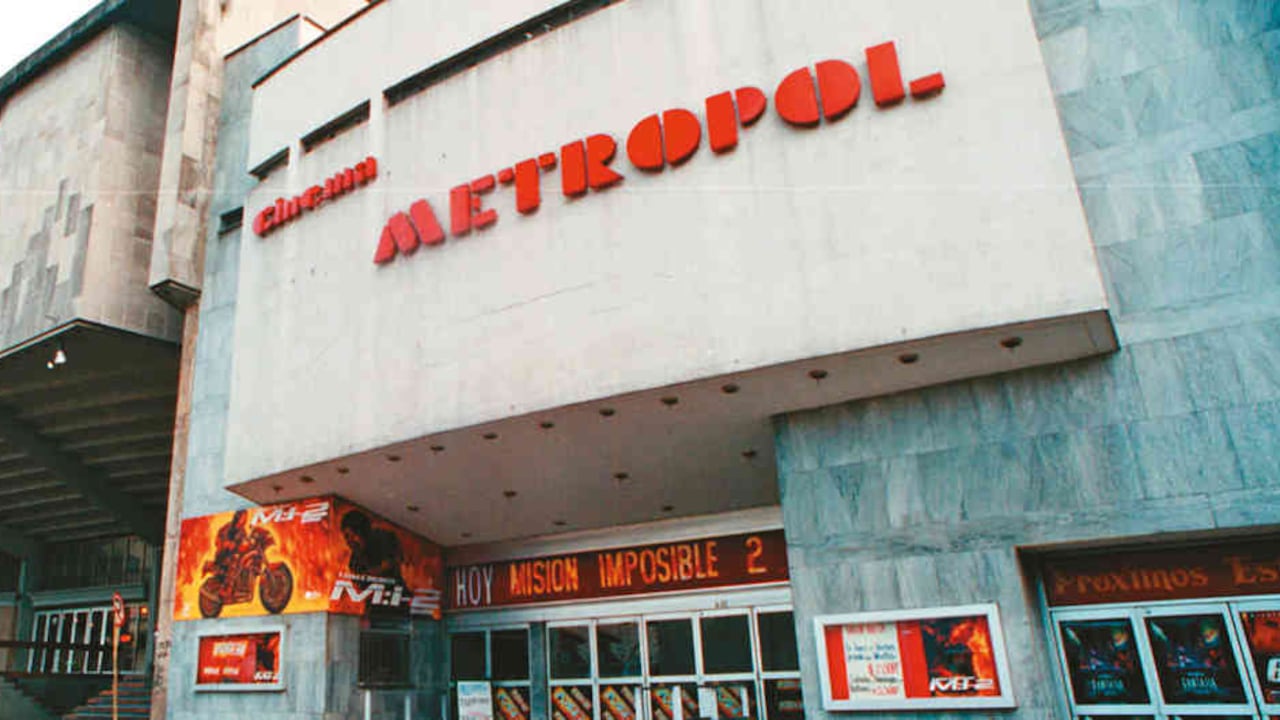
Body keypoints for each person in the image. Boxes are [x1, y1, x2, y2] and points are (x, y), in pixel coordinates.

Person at [340, 510, 405, 590]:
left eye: (354, 535)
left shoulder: (384, 539)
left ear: (363, 531)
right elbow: (360, 585)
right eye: (346, 537)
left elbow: (394, 562)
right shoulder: (354, 561)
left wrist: (372, 573)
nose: (350, 541)